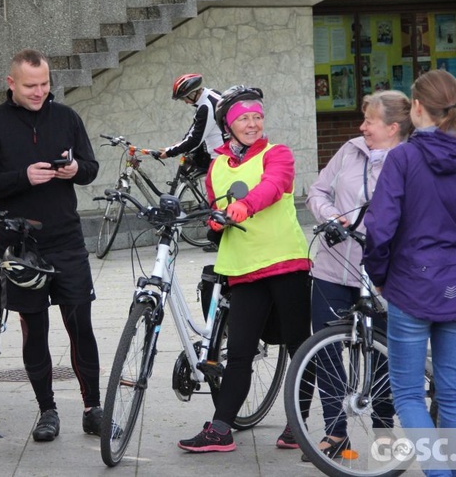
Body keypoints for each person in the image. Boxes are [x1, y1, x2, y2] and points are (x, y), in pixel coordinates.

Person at [364, 69, 456, 475]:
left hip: (409, 286)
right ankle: (449, 470)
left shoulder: (403, 157)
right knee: (454, 392)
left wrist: (380, 273)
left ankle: (441, 474)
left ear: (418, 107)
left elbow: (380, 227)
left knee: (408, 394)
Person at [0, 48, 103, 442]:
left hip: (66, 238)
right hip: (18, 245)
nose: (39, 91)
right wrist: (23, 176)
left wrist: (78, 169)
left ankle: (93, 407)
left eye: (45, 84)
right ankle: (47, 410)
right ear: (11, 83)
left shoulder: (66, 117)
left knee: (81, 323)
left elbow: (91, 168)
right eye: (31, 85)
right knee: (36, 328)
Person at [177, 85, 313, 452]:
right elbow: (214, 208)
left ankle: (297, 424)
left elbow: (275, 185)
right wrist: (215, 224)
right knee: (238, 352)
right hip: (243, 270)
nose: (252, 124)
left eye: (257, 117)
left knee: (301, 345)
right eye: (244, 119)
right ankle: (220, 428)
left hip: (285, 262)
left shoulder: (277, 154)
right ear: (228, 125)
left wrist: (245, 206)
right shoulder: (216, 167)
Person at [305, 90, 412, 459]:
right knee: (327, 350)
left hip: (384, 274)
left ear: (393, 127)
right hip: (333, 266)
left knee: (383, 353)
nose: (361, 126)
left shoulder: (410, 159)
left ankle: (384, 429)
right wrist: (330, 215)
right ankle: (335, 432)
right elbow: (316, 191)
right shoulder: (350, 149)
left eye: (370, 120)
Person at [160, 73, 223, 170]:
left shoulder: (206, 107)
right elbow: (196, 126)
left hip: (221, 157)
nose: (185, 102)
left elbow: (195, 140)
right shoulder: (212, 93)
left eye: (184, 98)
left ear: (193, 93)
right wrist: (182, 142)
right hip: (227, 152)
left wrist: (169, 152)